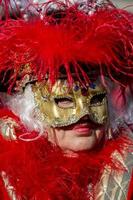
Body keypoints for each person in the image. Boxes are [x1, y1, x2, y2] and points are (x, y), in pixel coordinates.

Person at [0, 0, 132, 199]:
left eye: (95, 99)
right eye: (64, 100)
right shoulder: (6, 177)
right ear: (31, 110)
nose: (85, 113)